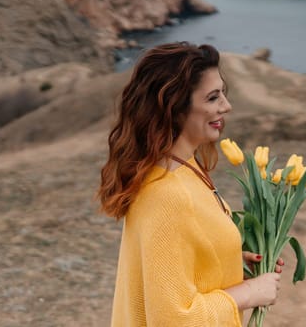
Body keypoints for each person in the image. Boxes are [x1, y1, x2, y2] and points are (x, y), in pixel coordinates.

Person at [98, 42, 283, 326]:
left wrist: (231, 263)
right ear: (176, 108)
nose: (226, 106)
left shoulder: (185, 167)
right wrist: (249, 293)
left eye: (223, 93)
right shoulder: (165, 192)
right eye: (212, 98)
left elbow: (180, 264)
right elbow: (172, 319)